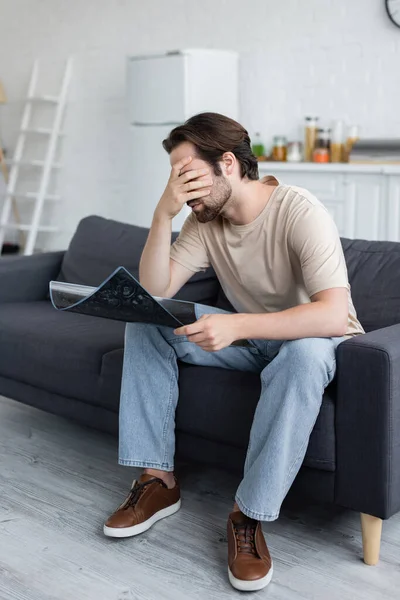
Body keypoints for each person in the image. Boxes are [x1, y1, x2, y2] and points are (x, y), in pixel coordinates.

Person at [103, 113, 364, 592]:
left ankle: (248, 516)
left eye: (189, 175)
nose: (183, 188)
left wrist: (237, 324)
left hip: (313, 342)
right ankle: (158, 480)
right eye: (174, 178)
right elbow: (154, 291)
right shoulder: (205, 222)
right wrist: (164, 213)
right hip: (252, 343)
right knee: (147, 322)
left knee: (305, 355)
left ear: (227, 163)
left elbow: (332, 315)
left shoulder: (299, 210)